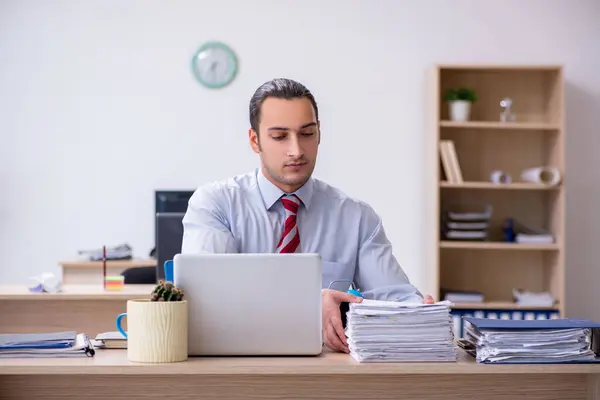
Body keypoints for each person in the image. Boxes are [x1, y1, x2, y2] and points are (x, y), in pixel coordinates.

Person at [181, 78, 433, 353]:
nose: (296, 151)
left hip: (324, 373)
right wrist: (313, 304)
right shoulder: (216, 204)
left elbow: (392, 298)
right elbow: (207, 302)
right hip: (238, 366)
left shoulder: (356, 217)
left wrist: (417, 313)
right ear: (255, 141)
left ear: (319, 133)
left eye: (307, 134)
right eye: (279, 137)